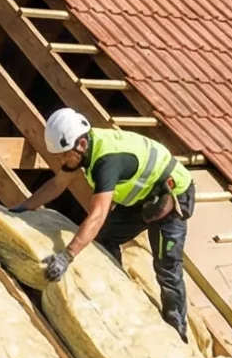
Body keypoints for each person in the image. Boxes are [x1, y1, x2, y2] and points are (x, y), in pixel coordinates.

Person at [15, 107, 195, 340]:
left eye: (64, 154)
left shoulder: (106, 162)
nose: (62, 160)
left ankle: (176, 331)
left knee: (167, 267)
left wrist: (67, 255)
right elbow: (57, 184)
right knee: (106, 241)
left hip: (171, 196)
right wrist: (23, 207)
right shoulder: (84, 149)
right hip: (142, 197)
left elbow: (97, 215)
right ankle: (119, 293)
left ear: (80, 145)